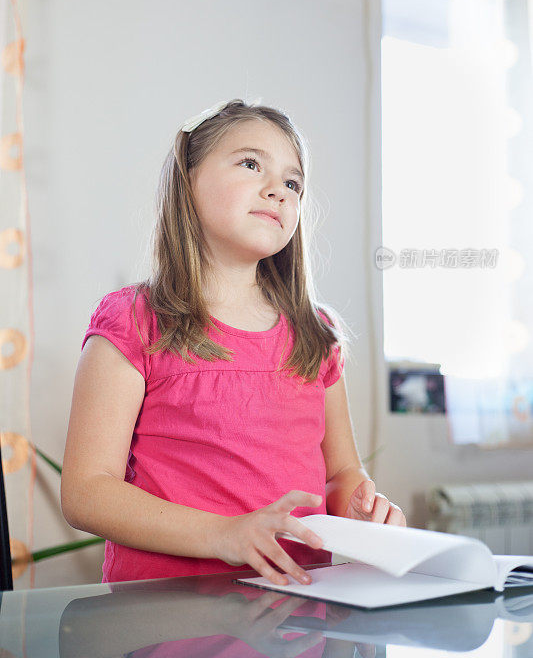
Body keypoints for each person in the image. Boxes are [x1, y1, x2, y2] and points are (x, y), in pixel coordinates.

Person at [61, 98, 406, 586]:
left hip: (295, 617)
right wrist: (225, 534)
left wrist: (359, 505)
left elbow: (340, 474)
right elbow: (87, 492)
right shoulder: (135, 321)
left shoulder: (316, 334)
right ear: (189, 180)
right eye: (250, 164)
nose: (279, 192)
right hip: (162, 617)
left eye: (293, 183)